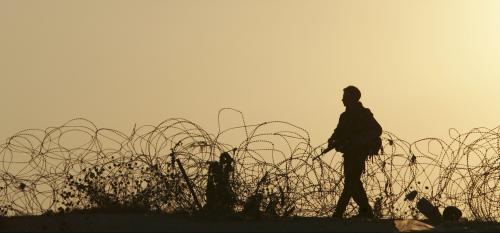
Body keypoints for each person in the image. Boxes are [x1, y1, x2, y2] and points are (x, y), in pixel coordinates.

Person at [321, 85, 382, 219]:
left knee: (350, 183)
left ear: (353, 98)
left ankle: (338, 213)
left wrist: (358, 141)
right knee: (354, 183)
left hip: (359, 153)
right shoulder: (344, 116)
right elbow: (338, 132)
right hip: (349, 154)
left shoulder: (364, 114)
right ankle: (366, 211)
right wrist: (332, 141)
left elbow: (377, 130)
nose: (342, 100)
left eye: (345, 97)